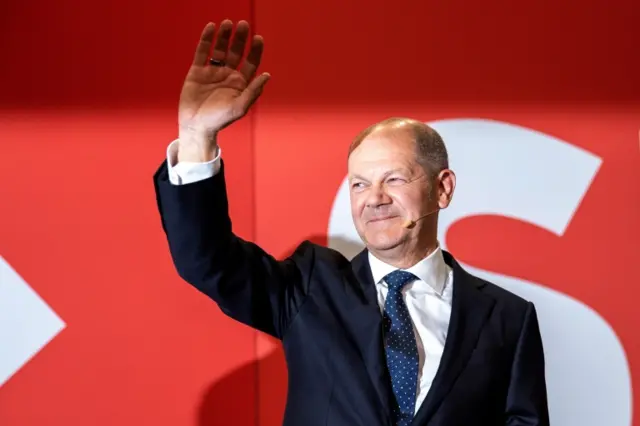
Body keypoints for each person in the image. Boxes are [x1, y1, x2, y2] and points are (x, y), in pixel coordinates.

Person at [153, 19, 550, 426]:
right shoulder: (310, 285)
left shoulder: (507, 318)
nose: (374, 198)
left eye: (393, 179)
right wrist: (196, 135)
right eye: (360, 184)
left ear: (442, 189)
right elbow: (206, 259)